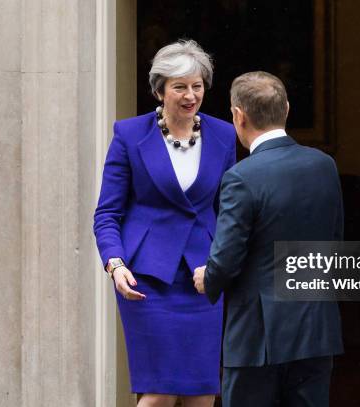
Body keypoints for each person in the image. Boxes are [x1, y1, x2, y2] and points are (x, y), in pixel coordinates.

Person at [94, 40, 236, 407]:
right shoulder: (130, 135)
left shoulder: (222, 135)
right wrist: (115, 263)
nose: (191, 95)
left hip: (202, 277)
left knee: (202, 394)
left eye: (197, 86)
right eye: (180, 87)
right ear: (160, 90)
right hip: (147, 278)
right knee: (158, 394)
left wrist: (221, 263)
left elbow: (229, 211)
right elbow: (107, 212)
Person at [193, 71, 344, 407]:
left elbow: (228, 255)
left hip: (257, 338)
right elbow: (335, 241)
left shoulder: (241, 177)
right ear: (286, 109)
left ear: (238, 116)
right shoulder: (325, 166)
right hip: (316, 329)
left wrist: (209, 278)